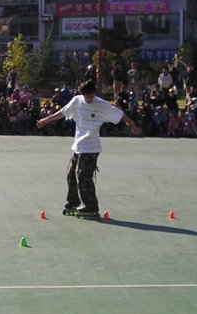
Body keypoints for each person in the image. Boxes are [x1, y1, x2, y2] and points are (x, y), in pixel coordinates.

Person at [36, 79, 141, 219]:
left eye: (91, 96)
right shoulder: (76, 101)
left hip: (92, 147)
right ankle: (73, 203)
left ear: (94, 93)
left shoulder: (102, 105)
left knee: (83, 175)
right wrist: (47, 119)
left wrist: (133, 126)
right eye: (86, 97)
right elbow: (62, 112)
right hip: (78, 146)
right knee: (71, 174)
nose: (89, 99)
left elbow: (121, 115)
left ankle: (91, 206)